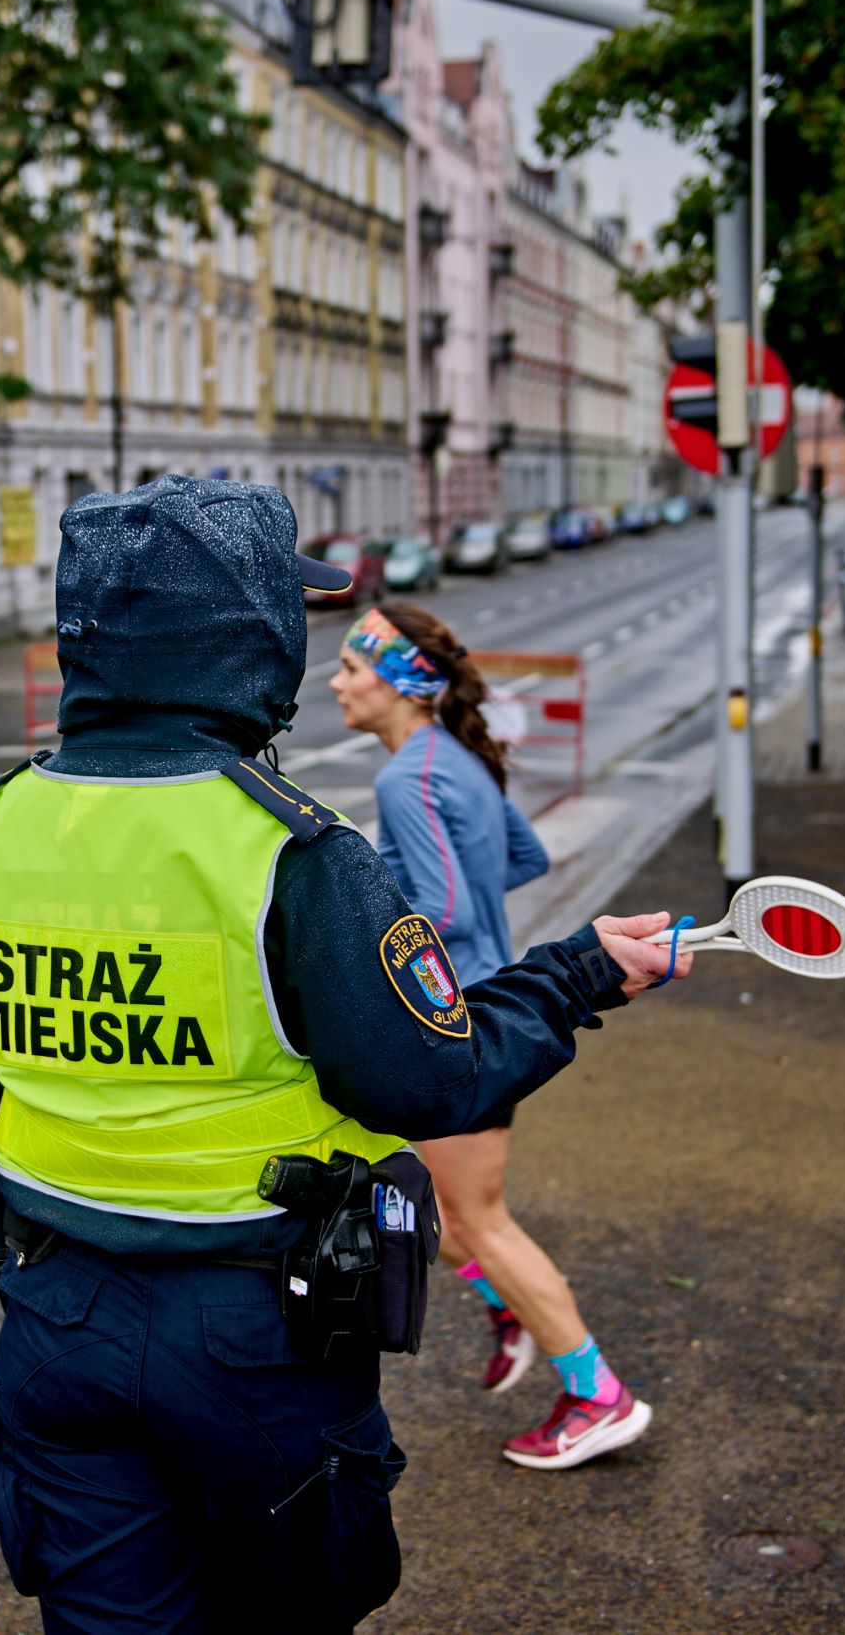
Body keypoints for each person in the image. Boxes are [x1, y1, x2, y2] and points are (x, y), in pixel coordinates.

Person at [0, 476, 691, 1634]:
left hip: (53, 1315)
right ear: (249, 637)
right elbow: (430, 1076)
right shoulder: (290, 849)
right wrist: (581, 972)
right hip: (254, 1331)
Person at [331, 601, 643, 1470]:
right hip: (484, 1006)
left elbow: (442, 908)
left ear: (400, 683)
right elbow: (524, 860)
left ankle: (597, 1393)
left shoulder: (407, 777)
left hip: (453, 1025)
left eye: (353, 669)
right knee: (440, 1211)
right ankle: (511, 1310)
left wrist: (362, 936)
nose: (336, 681)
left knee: (480, 1219)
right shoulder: (453, 758)